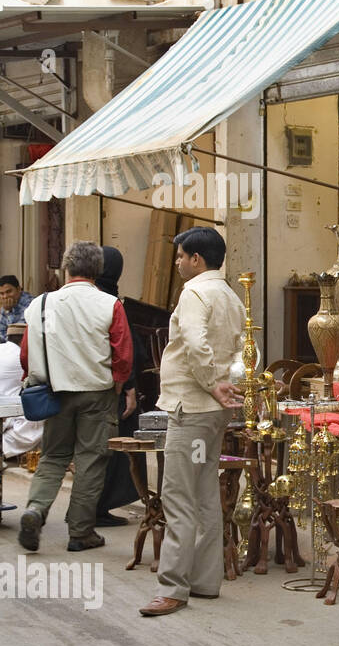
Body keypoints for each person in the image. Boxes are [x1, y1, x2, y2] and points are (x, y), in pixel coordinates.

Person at [140, 227, 244, 618]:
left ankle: (172, 588)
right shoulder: (231, 296)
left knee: (179, 497)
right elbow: (239, 351)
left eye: (181, 256)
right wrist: (224, 388)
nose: (178, 262)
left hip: (194, 408)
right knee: (203, 494)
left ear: (196, 259)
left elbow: (197, 343)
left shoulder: (195, 292)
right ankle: (203, 579)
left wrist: (212, 385)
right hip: (212, 412)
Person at [17, 243, 133, 553]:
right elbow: (122, 354)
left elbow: (27, 353)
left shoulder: (40, 304)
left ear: (66, 269)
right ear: (98, 271)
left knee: (53, 457)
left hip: (54, 392)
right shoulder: (110, 304)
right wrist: (119, 386)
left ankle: (36, 509)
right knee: (90, 461)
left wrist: (34, 379)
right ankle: (81, 533)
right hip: (98, 393)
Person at [94, 246, 146, 526]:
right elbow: (126, 351)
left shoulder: (86, 299)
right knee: (113, 450)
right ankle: (97, 508)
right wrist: (129, 387)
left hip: (80, 387)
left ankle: (87, 509)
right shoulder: (111, 303)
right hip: (113, 389)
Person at [0, 326, 42, 459]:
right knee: (40, 418)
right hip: (5, 411)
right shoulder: (19, 355)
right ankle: (4, 449)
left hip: (6, 407)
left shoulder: (3, 349)